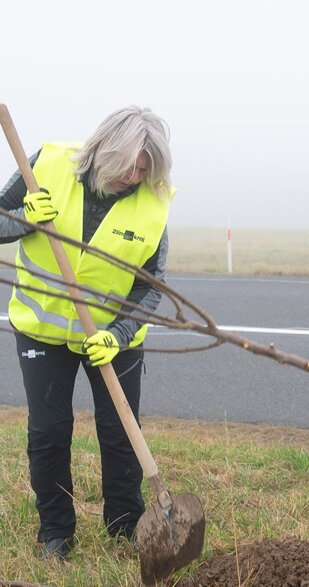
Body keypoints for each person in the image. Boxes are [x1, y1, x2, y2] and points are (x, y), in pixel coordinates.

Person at [0, 106, 174, 560]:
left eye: (144, 169)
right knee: (49, 431)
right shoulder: (48, 163)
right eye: (129, 166)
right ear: (104, 150)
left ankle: (125, 526)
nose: (134, 178)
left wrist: (119, 333)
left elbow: (150, 285)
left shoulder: (153, 202)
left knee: (120, 431)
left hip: (113, 338)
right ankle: (55, 533)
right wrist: (22, 221)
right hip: (43, 331)